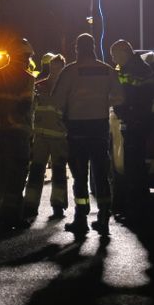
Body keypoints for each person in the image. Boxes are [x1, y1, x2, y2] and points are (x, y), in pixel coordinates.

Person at [52, 34, 124, 236]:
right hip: (99, 129)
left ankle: (81, 218)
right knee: (101, 174)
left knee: (80, 176)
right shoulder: (107, 70)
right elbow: (119, 97)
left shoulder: (70, 71)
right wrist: (102, 102)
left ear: (77, 49)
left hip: (76, 130)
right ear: (93, 48)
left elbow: (57, 101)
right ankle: (103, 217)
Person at [0, 38, 36, 230]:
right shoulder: (27, 78)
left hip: (1, 135)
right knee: (17, 175)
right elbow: (25, 105)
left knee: (2, 172)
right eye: (27, 56)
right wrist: (15, 122)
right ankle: (12, 216)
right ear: (23, 56)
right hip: (19, 135)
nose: (28, 60)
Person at [109, 39, 154, 218]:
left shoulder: (135, 70)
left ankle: (135, 207)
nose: (113, 60)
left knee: (133, 165)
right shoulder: (136, 67)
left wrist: (122, 110)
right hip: (137, 120)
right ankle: (137, 205)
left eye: (114, 55)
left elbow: (130, 97)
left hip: (136, 121)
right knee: (134, 164)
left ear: (123, 53)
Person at [22, 53, 68, 223]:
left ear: (63, 68)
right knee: (36, 171)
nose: (56, 70)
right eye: (54, 67)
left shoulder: (65, 89)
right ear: (50, 67)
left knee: (59, 172)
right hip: (41, 136)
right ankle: (31, 204)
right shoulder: (39, 86)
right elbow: (30, 109)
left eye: (59, 67)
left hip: (58, 137)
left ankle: (58, 204)